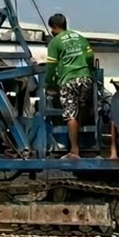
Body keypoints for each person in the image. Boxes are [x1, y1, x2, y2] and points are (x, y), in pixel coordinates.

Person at [45, 13, 96, 160]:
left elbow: (51, 66)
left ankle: (74, 150)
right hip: (85, 79)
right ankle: (85, 142)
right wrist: (89, 70)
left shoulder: (55, 42)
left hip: (69, 80)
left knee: (70, 114)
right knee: (81, 108)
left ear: (54, 27)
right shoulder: (80, 37)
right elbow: (90, 56)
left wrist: (49, 83)